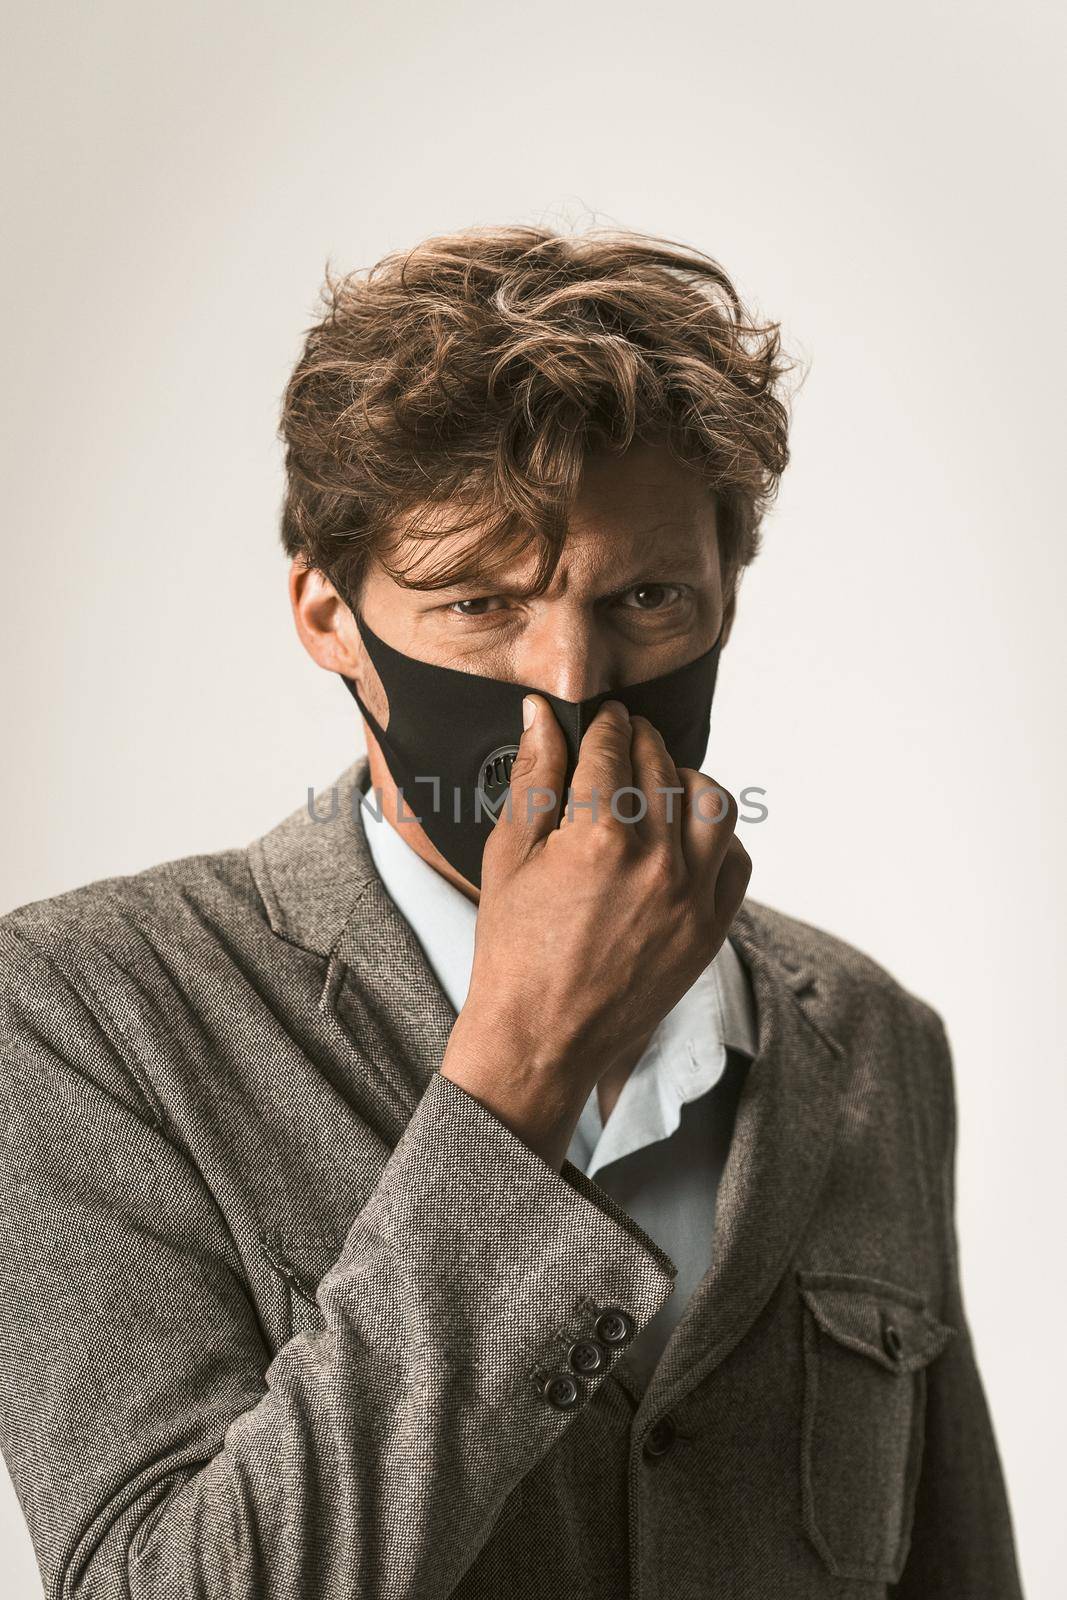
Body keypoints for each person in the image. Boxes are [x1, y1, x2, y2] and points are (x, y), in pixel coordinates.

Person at [0, 225, 1023, 1598]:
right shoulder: (87, 1016)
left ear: (726, 598)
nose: (568, 678)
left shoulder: (872, 1041)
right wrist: (519, 1069)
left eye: (647, 599)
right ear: (328, 617)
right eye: (480, 602)